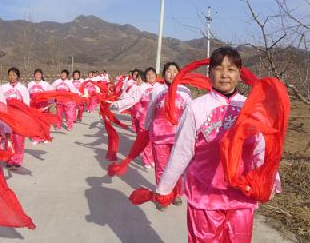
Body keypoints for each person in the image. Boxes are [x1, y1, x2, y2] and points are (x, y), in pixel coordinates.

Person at [156, 47, 282, 242]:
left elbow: (262, 149)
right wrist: (164, 188)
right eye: (218, 68)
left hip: (242, 193)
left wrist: (271, 181)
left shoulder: (250, 107)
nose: (224, 74)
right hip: (205, 194)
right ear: (209, 73)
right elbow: (182, 151)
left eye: (231, 69)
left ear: (240, 74)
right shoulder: (196, 107)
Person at [144, 62, 191, 204]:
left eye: (175, 71)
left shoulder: (185, 91)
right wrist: (146, 128)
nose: (172, 73)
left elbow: (191, 113)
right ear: (163, 74)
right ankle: (163, 194)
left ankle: (176, 193)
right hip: (160, 136)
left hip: (179, 136)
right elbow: (151, 110)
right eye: (169, 71)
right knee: (161, 166)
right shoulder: (157, 90)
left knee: (178, 167)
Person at [111, 67, 159, 168]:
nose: (150, 76)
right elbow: (133, 99)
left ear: (156, 75)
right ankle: (147, 159)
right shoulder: (142, 88)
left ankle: (150, 156)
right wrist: (119, 103)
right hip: (144, 117)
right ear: (145, 77)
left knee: (153, 139)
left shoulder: (161, 88)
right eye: (148, 74)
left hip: (157, 118)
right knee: (144, 137)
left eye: (152, 74)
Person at [1, 67, 30, 168]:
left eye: (14, 75)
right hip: (7, 117)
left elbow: (27, 104)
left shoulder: (23, 89)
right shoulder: (3, 88)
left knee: (18, 139)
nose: (12, 77)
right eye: (10, 75)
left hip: (19, 118)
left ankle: (17, 159)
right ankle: (9, 159)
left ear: (18, 76)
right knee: (8, 139)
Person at [28, 69, 53, 144]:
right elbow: (28, 94)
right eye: (36, 74)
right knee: (35, 122)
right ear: (34, 75)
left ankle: (45, 136)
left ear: (41, 75)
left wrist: (51, 103)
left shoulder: (45, 84)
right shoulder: (30, 83)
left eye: (39, 74)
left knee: (44, 122)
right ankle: (36, 138)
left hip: (43, 105)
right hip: (34, 106)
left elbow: (50, 93)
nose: (37, 76)